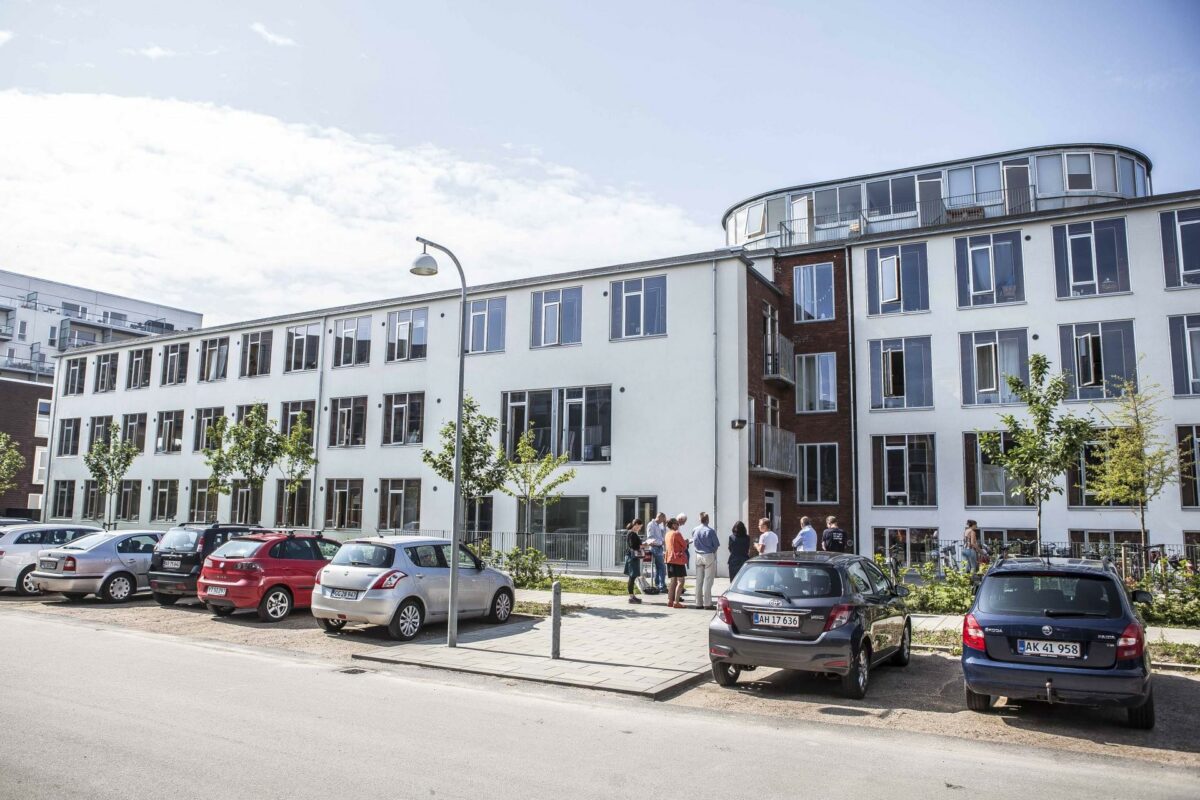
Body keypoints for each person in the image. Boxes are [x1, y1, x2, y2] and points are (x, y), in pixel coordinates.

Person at [691, 512, 719, 610]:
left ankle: (698, 603)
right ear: (708, 519)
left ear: (700, 519)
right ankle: (707, 603)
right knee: (708, 580)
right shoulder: (710, 531)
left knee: (699, 580)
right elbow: (716, 545)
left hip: (698, 555)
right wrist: (713, 553)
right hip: (708, 554)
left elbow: (693, 541)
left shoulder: (695, 529)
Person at [665, 518, 688, 608]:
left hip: (669, 559)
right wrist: (686, 542)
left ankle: (670, 601)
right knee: (681, 581)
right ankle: (676, 602)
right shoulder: (676, 533)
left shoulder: (667, 534)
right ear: (673, 525)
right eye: (677, 524)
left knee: (673, 581)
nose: (678, 526)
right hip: (677, 559)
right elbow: (684, 545)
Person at [622, 518, 644, 604]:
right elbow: (633, 546)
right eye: (640, 527)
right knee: (632, 576)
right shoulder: (631, 534)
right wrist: (642, 546)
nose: (640, 528)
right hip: (632, 557)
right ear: (636, 525)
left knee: (633, 577)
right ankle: (631, 597)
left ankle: (632, 596)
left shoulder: (633, 533)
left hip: (632, 557)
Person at [644, 512, 667, 593]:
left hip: (659, 547)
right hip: (655, 547)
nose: (663, 521)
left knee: (658, 567)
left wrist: (664, 525)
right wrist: (661, 543)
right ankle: (662, 586)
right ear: (660, 517)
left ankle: (658, 584)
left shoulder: (658, 525)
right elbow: (650, 538)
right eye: (663, 519)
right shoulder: (651, 524)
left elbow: (663, 535)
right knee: (662, 567)